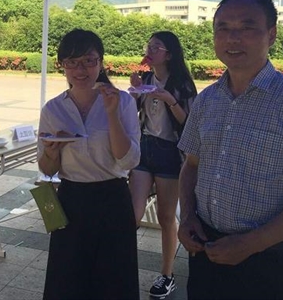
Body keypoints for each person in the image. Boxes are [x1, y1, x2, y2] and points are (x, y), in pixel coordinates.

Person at [178, 0, 283, 300]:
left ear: (272, 34)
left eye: (247, 26)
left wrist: (251, 243)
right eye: (223, 27)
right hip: (204, 246)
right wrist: (187, 216)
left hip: (266, 255)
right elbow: (192, 165)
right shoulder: (207, 100)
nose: (233, 37)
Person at [37, 28, 141, 300]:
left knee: (114, 282)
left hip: (113, 198)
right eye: (72, 62)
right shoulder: (53, 109)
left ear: (101, 62)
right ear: (62, 65)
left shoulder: (122, 102)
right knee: (67, 282)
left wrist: (111, 114)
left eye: (88, 61)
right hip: (71, 199)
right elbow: (47, 169)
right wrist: (52, 153)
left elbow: (129, 160)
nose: (80, 70)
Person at [128, 31, 197, 298]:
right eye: (149, 47)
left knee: (166, 217)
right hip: (145, 148)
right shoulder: (146, 79)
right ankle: (119, 266)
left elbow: (189, 123)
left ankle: (167, 275)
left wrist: (170, 99)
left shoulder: (182, 84)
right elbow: (132, 112)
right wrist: (135, 91)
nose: (150, 51)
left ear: (168, 54)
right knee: (132, 214)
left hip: (170, 152)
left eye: (156, 47)